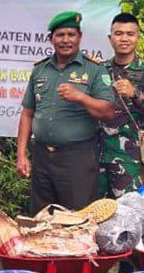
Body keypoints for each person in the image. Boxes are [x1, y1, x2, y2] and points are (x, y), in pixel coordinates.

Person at [16, 11, 116, 213]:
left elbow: (108, 112)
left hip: (77, 158)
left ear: (80, 37)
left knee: (77, 218)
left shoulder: (94, 70)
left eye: (71, 34)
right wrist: (21, 155)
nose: (66, 40)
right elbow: (27, 114)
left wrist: (80, 97)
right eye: (60, 35)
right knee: (41, 217)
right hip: (42, 156)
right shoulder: (40, 69)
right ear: (51, 38)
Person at [99, 12, 144, 198]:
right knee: (95, 210)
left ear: (137, 38)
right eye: (119, 33)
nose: (124, 38)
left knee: (127, 211)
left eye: (130, 34)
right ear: (110, 38)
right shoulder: (100, 70)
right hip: (96, 156)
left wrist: (135, 93)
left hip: (128, 158)